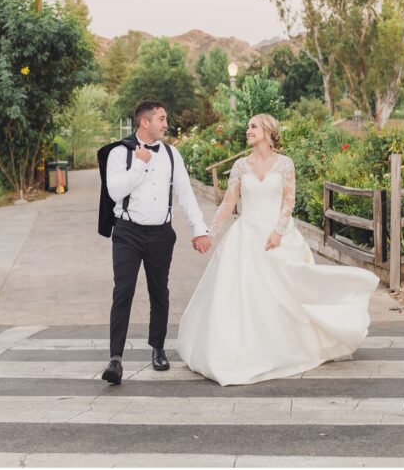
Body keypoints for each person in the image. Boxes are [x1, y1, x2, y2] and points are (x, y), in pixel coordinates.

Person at [176, 113, 379, 386]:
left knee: (286, 295)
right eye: (248, 126)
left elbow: (288, 201)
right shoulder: (239, 166)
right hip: (246, 236)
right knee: (243, 296)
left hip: (277, 236)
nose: (248, 130)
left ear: (268, 131)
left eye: (253, 126)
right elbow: (228, 202)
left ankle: (291, 345)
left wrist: (278, 231)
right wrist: (208, 233)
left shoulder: (285, 164)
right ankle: (242, 349)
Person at [98, 101, 212, 385]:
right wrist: (139, 164)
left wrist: (200, 229)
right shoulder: (118, 153)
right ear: (144, 122)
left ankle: (158, 348)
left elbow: (185, 195)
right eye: (162, 118)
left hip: (161, 234)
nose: (166, 123)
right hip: (127, 232)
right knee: (123, 291)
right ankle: (116, 358)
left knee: (159, 291)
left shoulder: (172, 155)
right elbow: (114, 191)